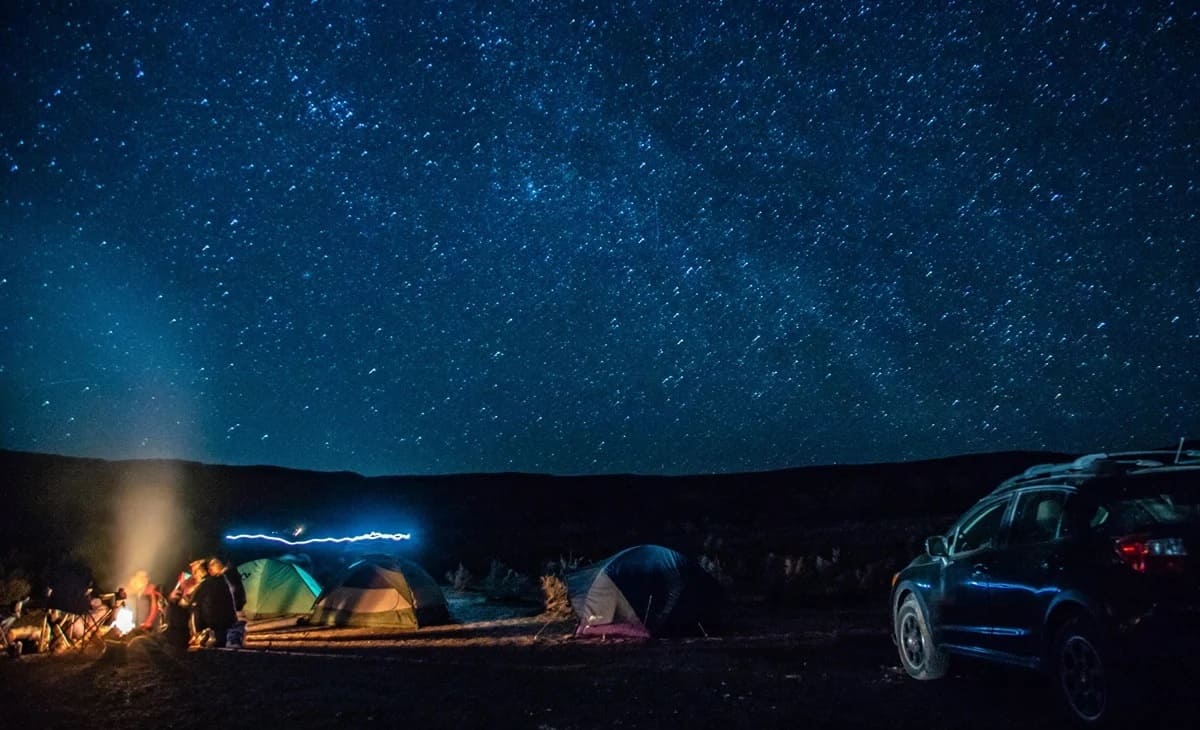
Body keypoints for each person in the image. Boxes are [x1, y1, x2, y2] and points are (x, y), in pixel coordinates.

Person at [191, 558, 238, 648]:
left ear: (200, 571)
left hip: (211, 633)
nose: (194, 576)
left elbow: (196, 611)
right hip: (226, 629)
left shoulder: (202, 587)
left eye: (195, 572)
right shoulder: (222, 582)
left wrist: (197, 632)